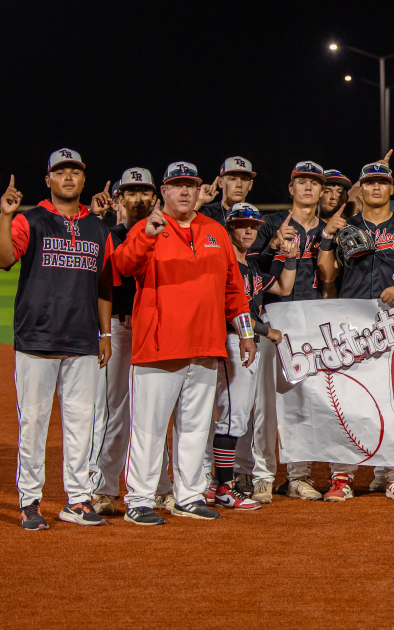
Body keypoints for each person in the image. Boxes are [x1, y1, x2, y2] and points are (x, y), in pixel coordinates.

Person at [112, 161, 254, 526]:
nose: (185, 191)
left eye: (190, 185)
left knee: (194, 429)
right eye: (177, 185)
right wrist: (146, 235)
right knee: (148, 428)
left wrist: (246, 333)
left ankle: (189, 496)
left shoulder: (215, 231)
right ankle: (140, 499)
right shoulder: (150, 227)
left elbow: (233, 288)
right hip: (158, 348)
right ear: (164, 191)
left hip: (205, 346)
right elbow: (123, 266)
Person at [0, 149, 114, 530]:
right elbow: (2, 260)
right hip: (37, 339)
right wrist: (5, 216)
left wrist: (105, 332)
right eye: (60, 172)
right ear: (48, 179)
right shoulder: (31, 220)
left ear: (83, 179)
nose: (68, 177)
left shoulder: (97, 228)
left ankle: (77, 499)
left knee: (81, 423)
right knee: (33, 423)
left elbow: (104, 285)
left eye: (74, 172)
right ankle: (30, 501)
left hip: (83, 341)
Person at [317, 161, 394, 502]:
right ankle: (342, 477)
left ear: (391, 188)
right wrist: (327, 237)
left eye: (382, 182)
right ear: (362, 189)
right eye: (369, 182)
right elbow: (327, 275)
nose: (375, 187)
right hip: (352, 325)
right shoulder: (346, 226)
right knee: (347, 402)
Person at [90, 167, 175, 516]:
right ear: (120, 199)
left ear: (154, 197)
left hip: (155, 327)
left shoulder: (167, 231)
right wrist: (105, 333)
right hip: (121, 326)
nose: (138, 199)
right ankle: (104, 488)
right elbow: (103, 287)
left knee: (156, 410)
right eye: (130, 192)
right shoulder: (110, 235)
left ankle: (161, 487)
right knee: (116, 411)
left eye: (144, 192)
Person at [207, 203, 297, 511]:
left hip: (244, 342)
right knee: (232, 416)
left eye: (253, 226)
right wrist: (265, 330)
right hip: (232, 341)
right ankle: (223, 486)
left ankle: (216, 483)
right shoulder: (224, 263)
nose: (248, 231)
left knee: (235, 415)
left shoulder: (252, 266)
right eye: (242, 225)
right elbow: (226, 308)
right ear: (228, 228)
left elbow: (284, 287)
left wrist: (290, 256)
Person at [254, 161, 328, 501]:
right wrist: (272, 246)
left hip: (310, 323)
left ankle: (298, 476)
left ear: (322, 190)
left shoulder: (328, 230)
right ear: (291, 187)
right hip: (272, 319)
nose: (308, 187)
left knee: (304, 402)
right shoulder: (270, 223)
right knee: (264, 404)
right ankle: (262, 475)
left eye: (314, 182)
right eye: (302, 181)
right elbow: (248, 267)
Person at [198, 156, 256, 224]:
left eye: (244, 179)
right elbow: (186, 225)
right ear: (220, 182)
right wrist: (199, 201)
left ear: (250, 185)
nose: (239, 185)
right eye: (232, 179)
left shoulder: (255, 217)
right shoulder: (206, 213)